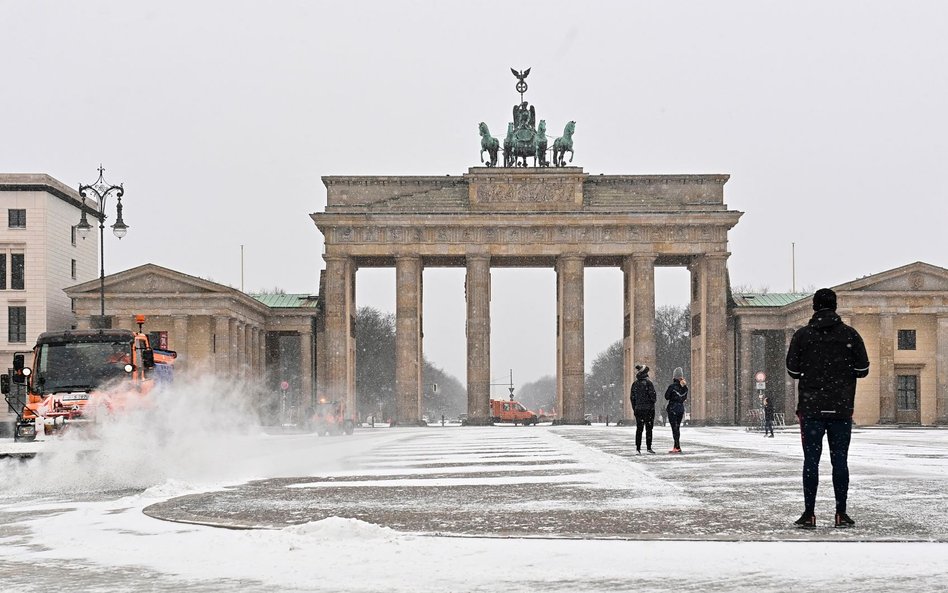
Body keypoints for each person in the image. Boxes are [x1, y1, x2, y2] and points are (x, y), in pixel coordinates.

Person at [786, 288, 870, 529]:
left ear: (814, 307)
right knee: (840, 461)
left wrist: (810, 372)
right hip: (841, 408)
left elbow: (792, 371)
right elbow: (863, 369)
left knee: (811, 461)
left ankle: (809, 514)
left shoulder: (802, 336)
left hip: (811, 408)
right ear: (835, 306)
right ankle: (841, 513)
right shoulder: (850, 335)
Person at [630, 364, 657, 454]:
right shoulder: (649, 383)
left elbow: (632, 398)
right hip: (648, 410)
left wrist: (635, 408)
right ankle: (649, 447)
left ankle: (638, 448)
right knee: (649, 429)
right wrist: (651, 404)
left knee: (639, 429)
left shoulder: (634, 384)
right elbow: (653, 397)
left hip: (638, 409)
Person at [664, 367, 688, 453]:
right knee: (677, 427)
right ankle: (676, 446)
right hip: (680, 408)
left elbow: (666, 396)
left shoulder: (672, 386)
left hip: (672, 408)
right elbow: (684, 398)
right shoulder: (685, 388)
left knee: (674, 428)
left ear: (674, 377)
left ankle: (677, 446)